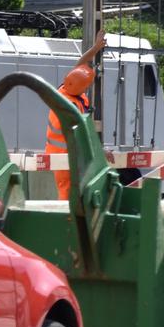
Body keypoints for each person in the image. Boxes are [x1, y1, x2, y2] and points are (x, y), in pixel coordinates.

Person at [44, 30, 106, 200]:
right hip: (65, 156)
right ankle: (69, 223)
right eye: (87, 86)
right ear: (81, 88)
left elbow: (80, 64)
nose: (88, 88)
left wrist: (96, 47)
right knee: (68, 193)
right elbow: (81, 135)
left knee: (73, 191)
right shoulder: (71, 107)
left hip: (61, 153)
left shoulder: (64, 89)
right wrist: (99, 152)